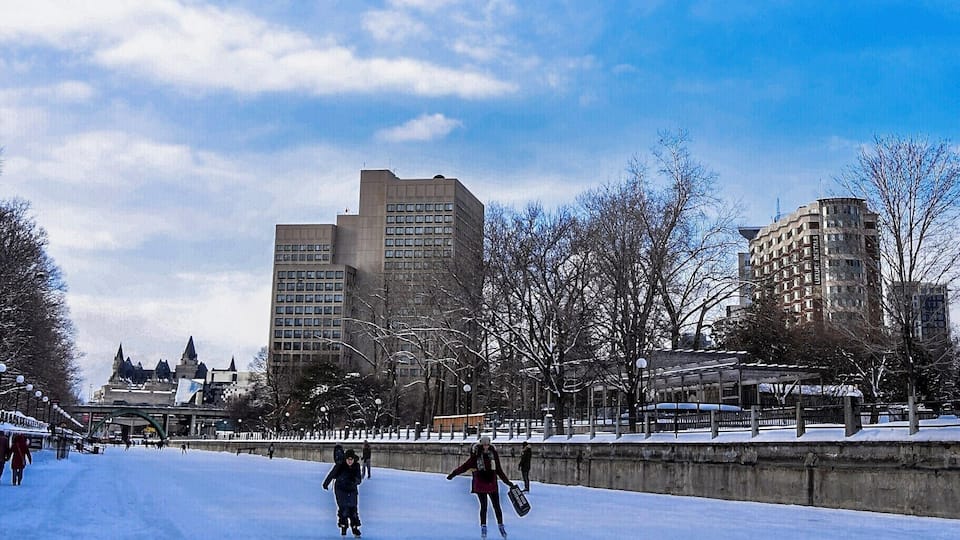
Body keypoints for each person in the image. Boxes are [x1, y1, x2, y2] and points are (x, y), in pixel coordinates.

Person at [447, 435, 516, 539]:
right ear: (481, 444)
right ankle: (483, 526)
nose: (486, 447)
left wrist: (508, 482)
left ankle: (501, 525)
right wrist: (453, 474)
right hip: (481, 484)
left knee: (497, 505)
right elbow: (465, 466)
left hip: (492, 484)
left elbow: (499, 470)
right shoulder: (476, 455)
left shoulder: (493, 454)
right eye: (484, 445)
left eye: (487, 444)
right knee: (484, 506)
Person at [323, 448, 363, 537]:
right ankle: (343, 526)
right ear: (345, 459)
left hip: (352, 489)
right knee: (344, 508)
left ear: (353, 459)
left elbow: (359, 479)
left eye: (351, 460)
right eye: (348, 459)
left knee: (353, 508)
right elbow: (332, 474)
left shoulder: (356, 466)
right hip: (340, 489)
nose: (349, 461)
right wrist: (326, 483)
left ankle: (355, 527)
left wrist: (354, 480)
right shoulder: (340, 465)